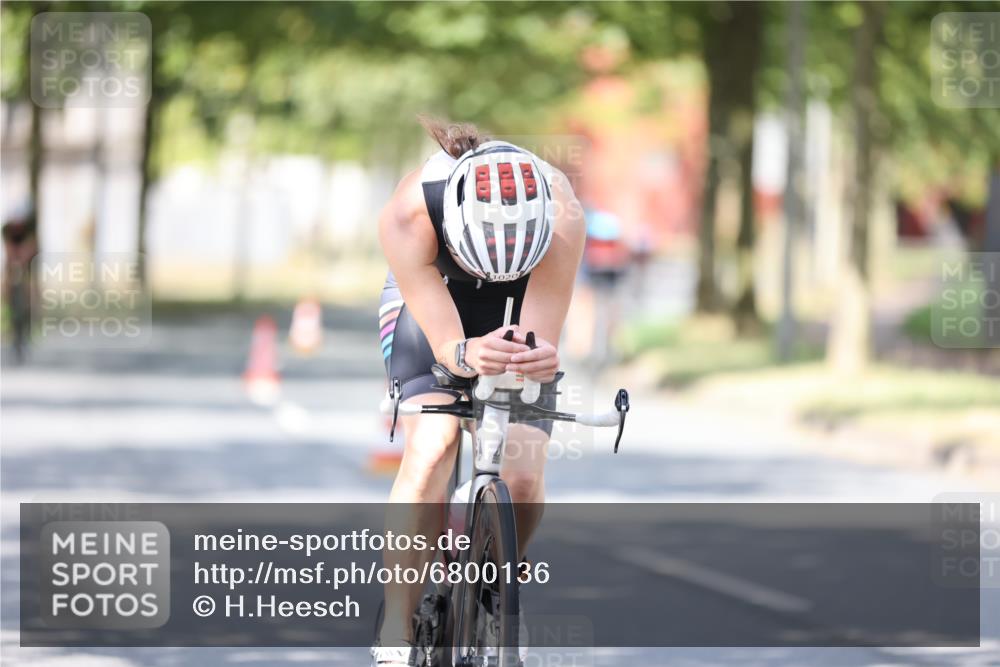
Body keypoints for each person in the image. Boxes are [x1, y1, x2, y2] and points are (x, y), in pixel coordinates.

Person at [372, 118, 585, 666]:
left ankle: (495, 582)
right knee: (433, 446)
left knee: (521, 469)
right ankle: (398, 619)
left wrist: (535, 356)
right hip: (435, 300)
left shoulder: (562, 212)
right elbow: (446, 346)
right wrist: (462, 353)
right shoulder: (410, 210)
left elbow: (538, 335)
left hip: (518, 302)